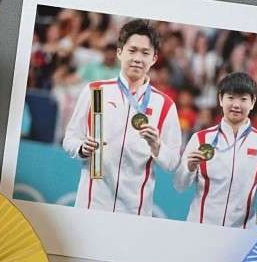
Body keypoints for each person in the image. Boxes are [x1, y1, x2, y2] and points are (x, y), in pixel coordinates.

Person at [63, 19, 181, 216]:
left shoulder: (165, 105)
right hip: (92, 203)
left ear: (154, 58)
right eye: (132, 50)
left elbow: (173, 162)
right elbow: (70, 138)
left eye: (145, 53)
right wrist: (81, 148)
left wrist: (157, 146)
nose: (137, 58)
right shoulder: (96, 91)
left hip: (135, 210)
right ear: (120, 52)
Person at [175, 72, 257, 229]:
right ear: (221, 99)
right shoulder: (201, 139)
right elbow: (179, 185)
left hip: (242, 233)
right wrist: (190, 168)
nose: (236, 105)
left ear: (253, 102)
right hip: (200, 227)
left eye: (243, 99)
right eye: (231, 98)